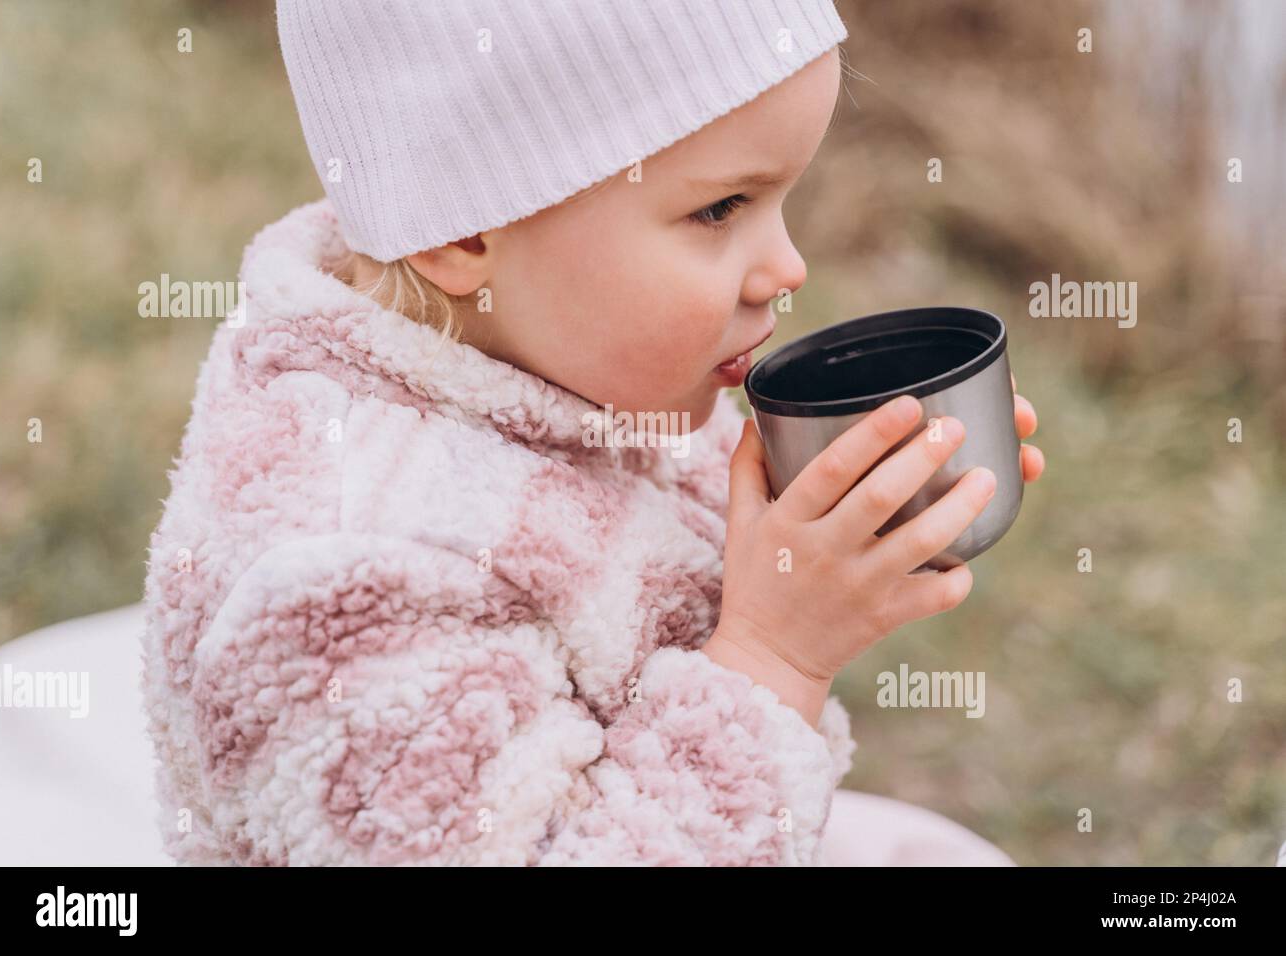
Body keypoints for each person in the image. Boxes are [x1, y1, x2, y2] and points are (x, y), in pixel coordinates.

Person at [141, 0, 1042, 865]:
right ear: (463, 232)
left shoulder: (557, 357)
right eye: (722, 209)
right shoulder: (351, 581)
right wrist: (777, 657)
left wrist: (831, 538)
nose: (789, 267)